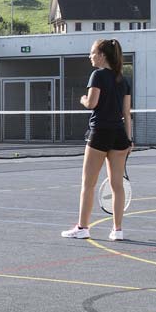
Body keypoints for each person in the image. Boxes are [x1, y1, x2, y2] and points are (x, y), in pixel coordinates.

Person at [61, 38, 134, 239]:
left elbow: (92, 103)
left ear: (101, 55)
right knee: (117, 186)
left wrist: (83, 100)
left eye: (92, 53)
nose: (90, 56)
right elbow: (127, 113)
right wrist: (129, 140)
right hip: (119, 136)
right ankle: (117, 230)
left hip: (100, 133)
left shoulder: (97, 76)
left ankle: (83, 228)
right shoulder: (123, 80)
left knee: (88, 184)